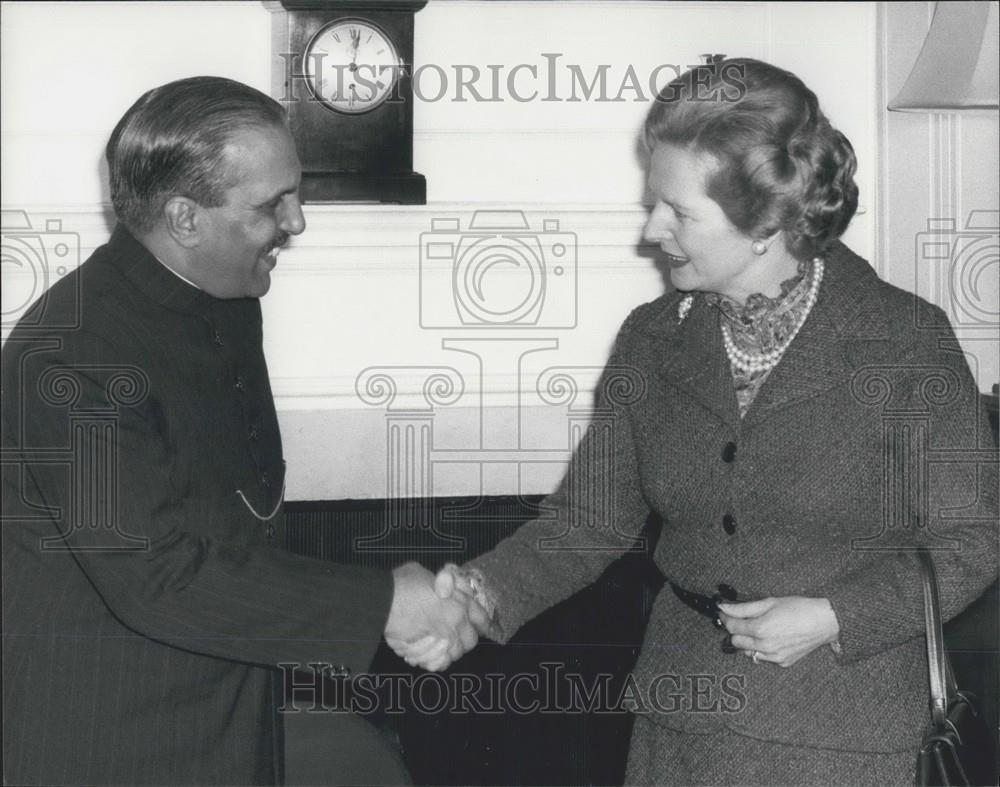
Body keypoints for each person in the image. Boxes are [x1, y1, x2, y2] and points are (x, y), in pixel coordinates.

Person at [394, 58, 999, 784]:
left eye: (680, 211)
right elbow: (588, 522)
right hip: (679, 725)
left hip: (849, 732)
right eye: (657, 203)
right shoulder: (651, 338)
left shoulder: (905, 340)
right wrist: (481, 593)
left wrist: (838, 613)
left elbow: (974, 537)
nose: (653, 230)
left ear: (767, 222)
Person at [1, 76, 483, 786]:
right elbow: (158, 577)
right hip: (106, 744)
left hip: (225, 726)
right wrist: (383, 602)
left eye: (296, 192)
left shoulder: (225, 297)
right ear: (185, 218)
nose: (298, 221)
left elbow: (241, 518)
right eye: (270, 204)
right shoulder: (70, 357)